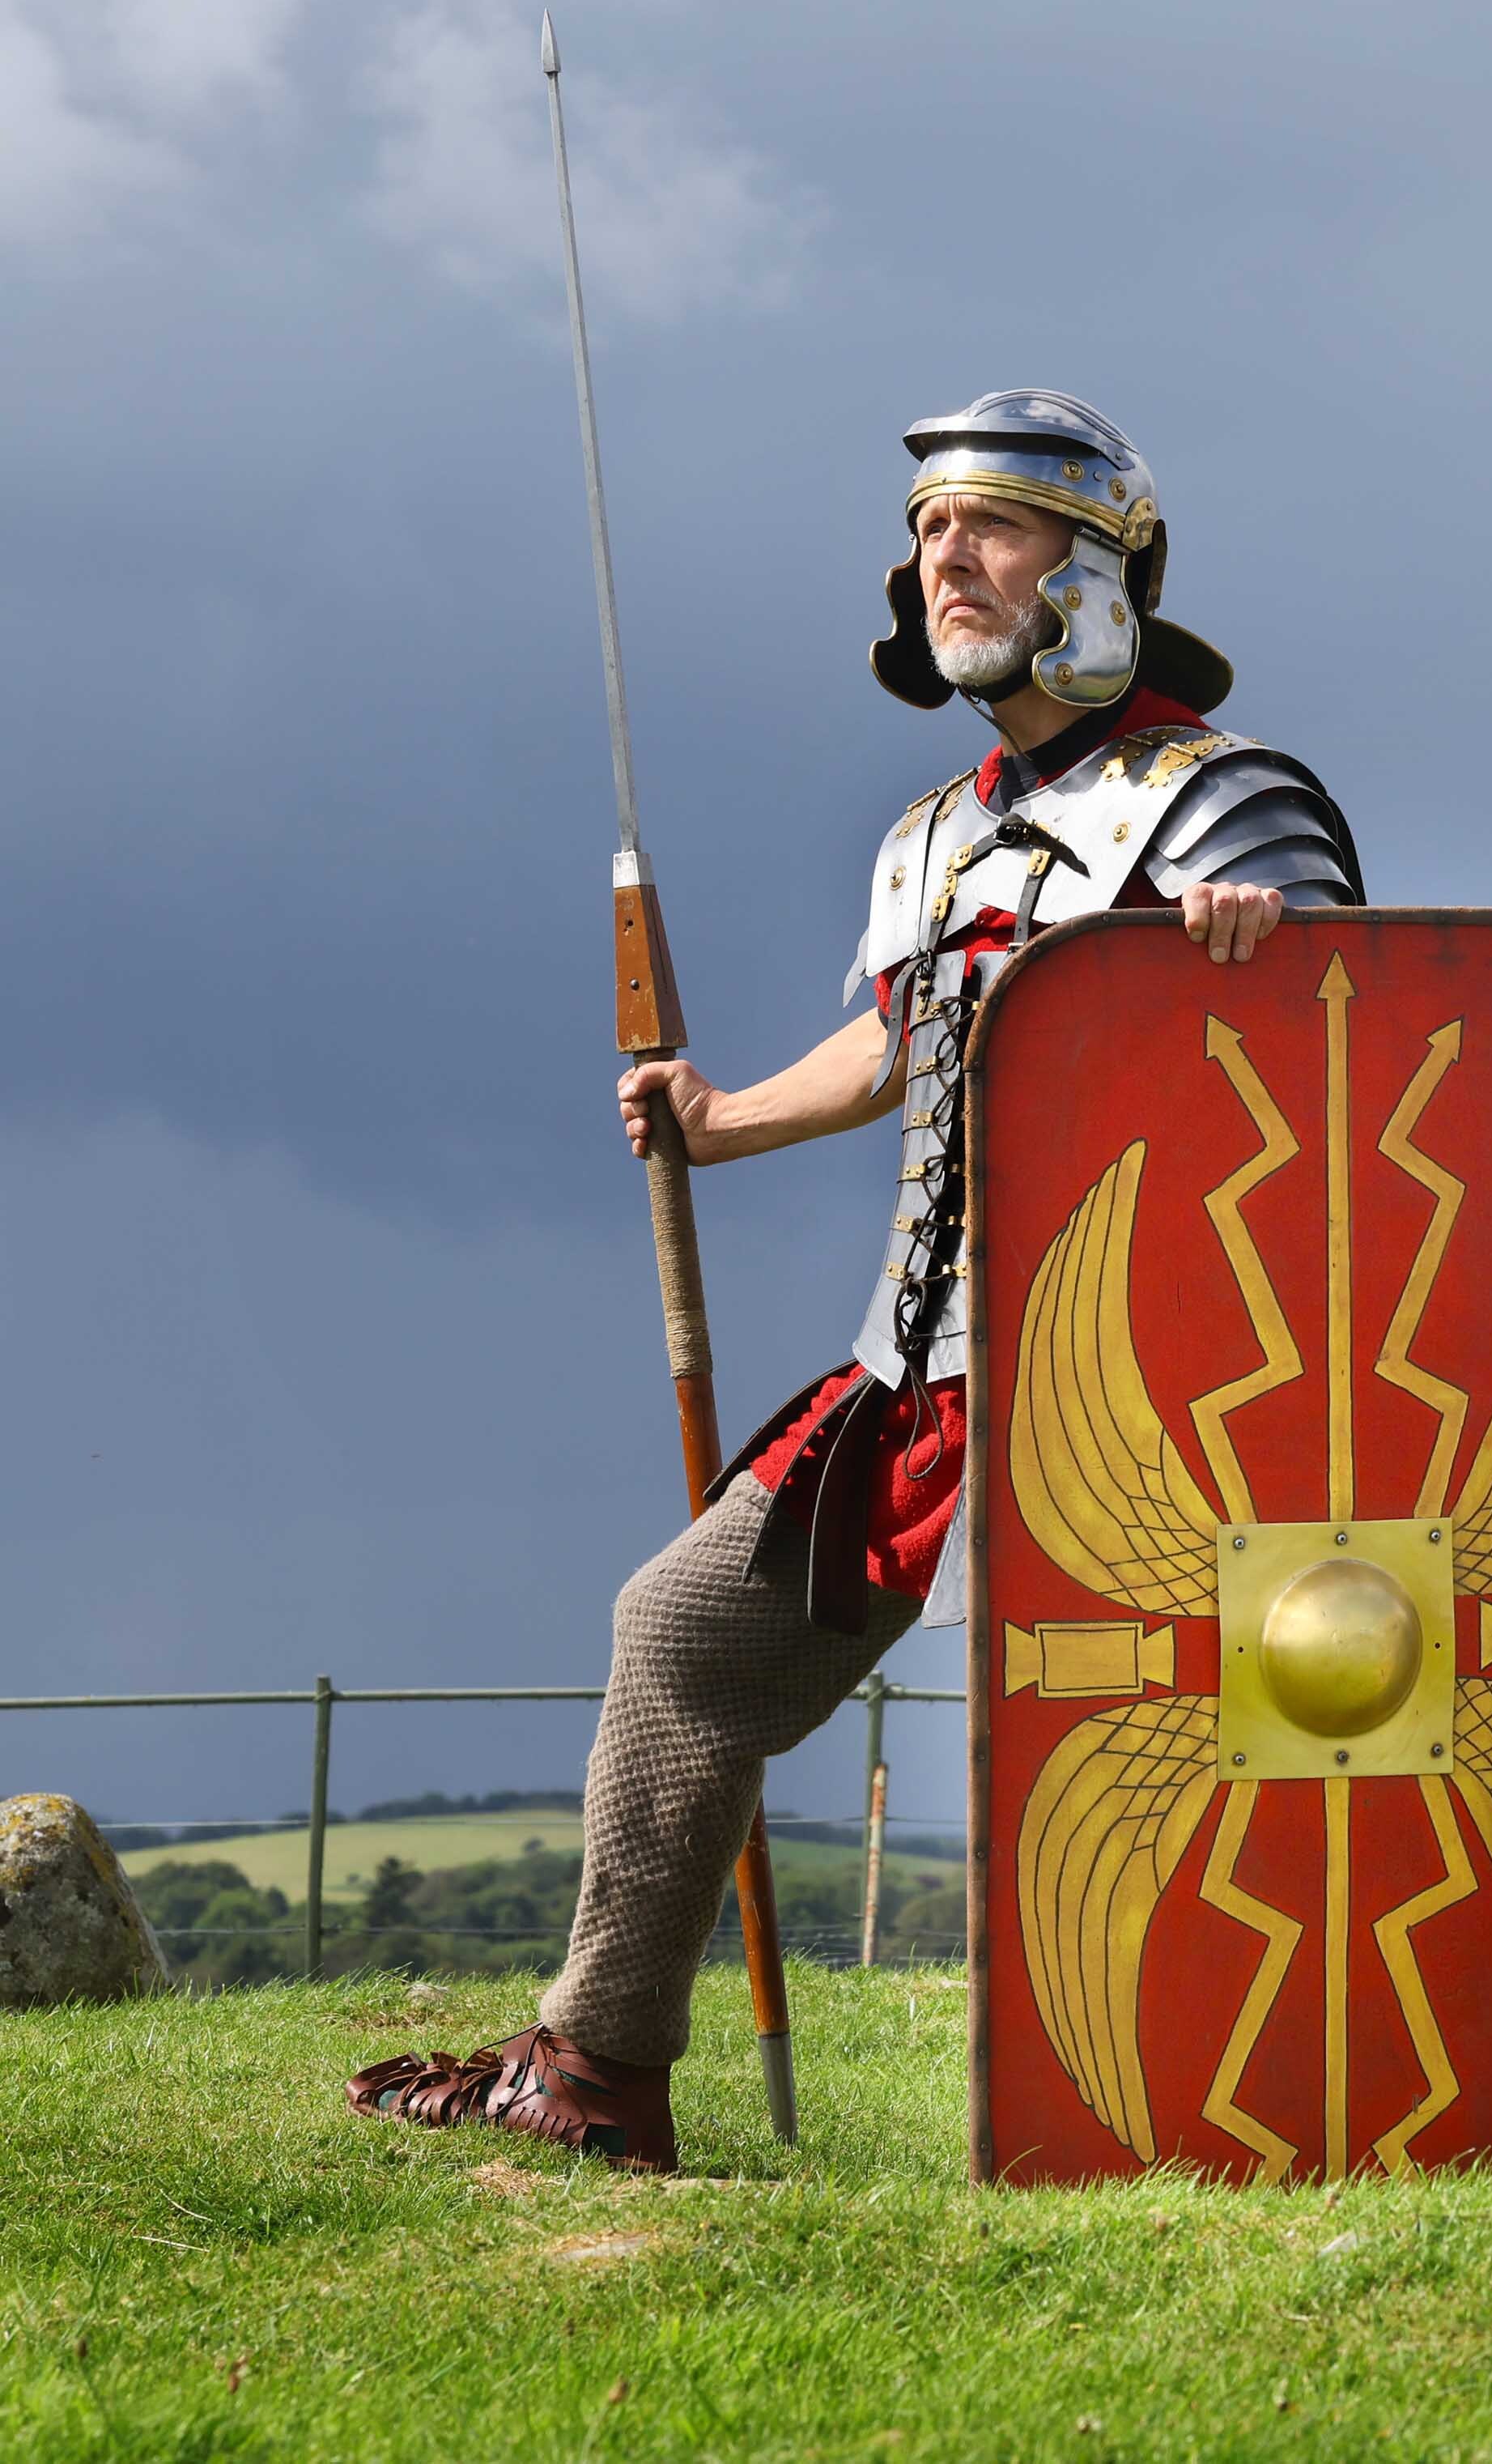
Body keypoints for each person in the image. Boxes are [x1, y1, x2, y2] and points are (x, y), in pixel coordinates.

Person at [349, 391, 1358, 2168]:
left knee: (1114, 1751)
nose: (942, 558)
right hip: (927, 1366)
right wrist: (726, 1114)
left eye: (992, 525)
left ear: (1102, 568)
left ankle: (1199, 2109)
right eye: (926, 531)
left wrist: (1258, 963)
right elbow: (904, 1038)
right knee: (680, 1630)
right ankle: (593, 2071)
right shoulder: (934, 834)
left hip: (1152, 1391)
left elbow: (1372, 1049)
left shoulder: (1225, 804)